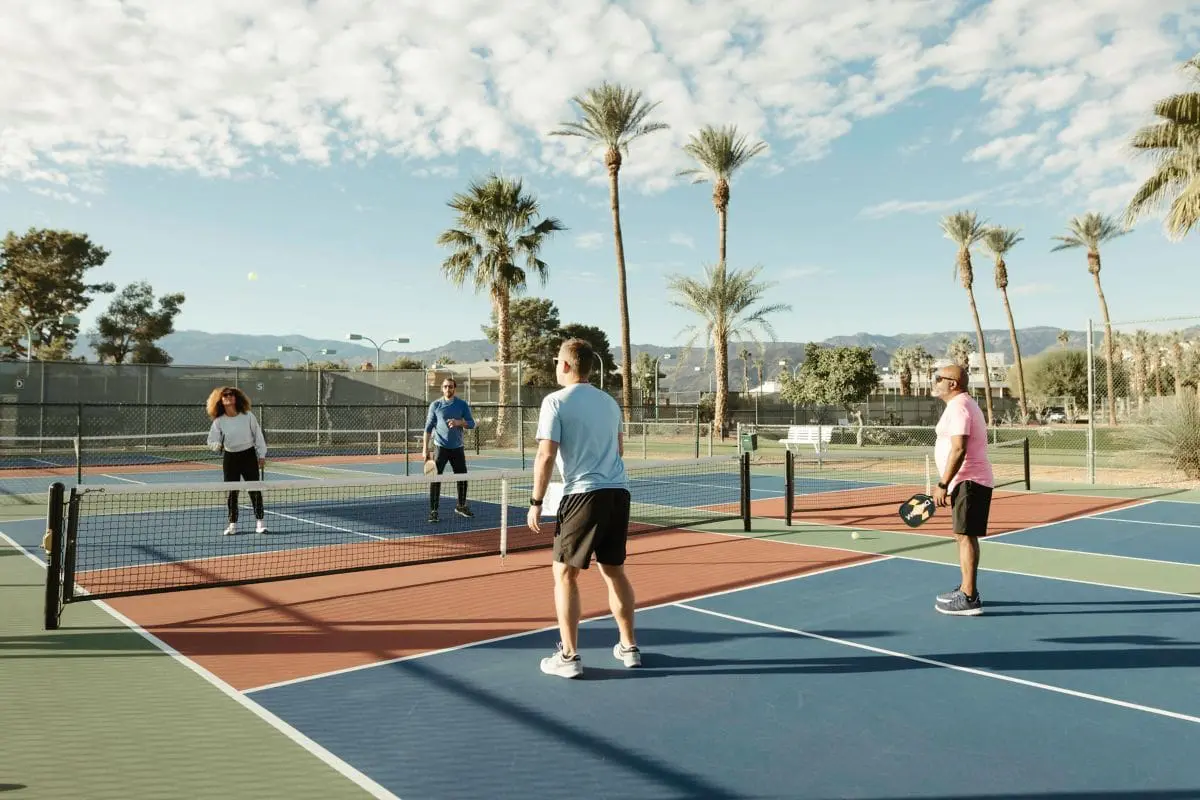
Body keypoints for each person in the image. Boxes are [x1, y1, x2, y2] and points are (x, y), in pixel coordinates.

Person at [527, 338, 641, 678]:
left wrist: (536, 502)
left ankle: (569, 656)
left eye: (556, 363)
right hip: (618, 493)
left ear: (565, 365)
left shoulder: (555, 402)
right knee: (614, 571)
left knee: (564, 574)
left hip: (583, 495)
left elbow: (546, 455)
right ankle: (629, 647)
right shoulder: (609, 403)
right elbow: (618, 450)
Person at [931, 363, 994, 616]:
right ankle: (967, 588)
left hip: (969, 481)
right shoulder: (961, 405)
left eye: (938, 378)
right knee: (963, 535)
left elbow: (959, 449)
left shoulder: (959, 407)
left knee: (966, 536)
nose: (935, 382)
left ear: (953, 384)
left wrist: (942, 484)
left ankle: (969, 598)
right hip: (966, 482)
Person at [205, 386, 268, 536]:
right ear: (220, 400)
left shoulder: (248, 416)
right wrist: (217, 446)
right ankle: (232, 524)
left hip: (248, 455)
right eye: (225, 395)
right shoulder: (219, 421)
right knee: (232, 492)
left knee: (254, 489)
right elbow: (211, 440)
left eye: (231, 394)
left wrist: (262, 454)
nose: (228, 397)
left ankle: (260, 523)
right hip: (230, 458)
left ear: (236, 398)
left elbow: (258, 435)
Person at [422, 377, 476, 523]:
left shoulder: (462, 405)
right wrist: (425, 449)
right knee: (435, 479)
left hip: (457, 448)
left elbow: (472, 424)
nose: (448, 389)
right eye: (445, 386)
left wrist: (460, 422)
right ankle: (433, 511)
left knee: (462, 478)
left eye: (450, 387)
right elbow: (428, 428)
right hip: (440, 448)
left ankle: (461, 506)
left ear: (454, 388)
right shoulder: (435, 405)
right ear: (442, 388)